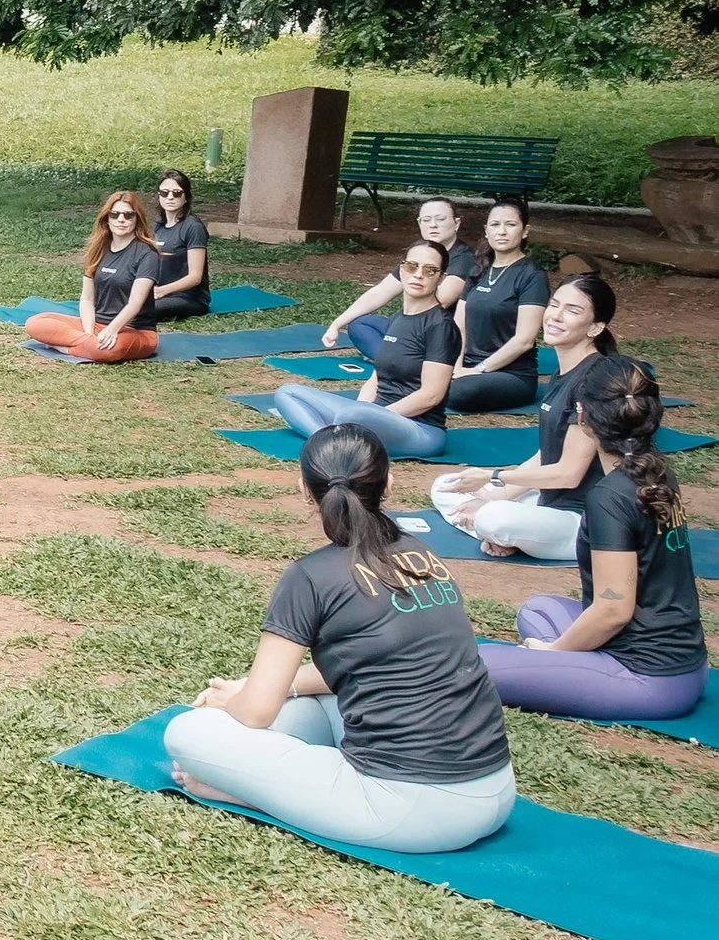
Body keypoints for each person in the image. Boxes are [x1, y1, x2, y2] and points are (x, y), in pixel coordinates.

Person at [162, 423, 515, 852]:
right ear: (389, 482)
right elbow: (376, 662)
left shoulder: (310, 576)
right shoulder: (423, 554)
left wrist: (233, 698)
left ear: (303, 489)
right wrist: (271, 689)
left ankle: (246, 792)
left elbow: (254, 713)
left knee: (187, 733)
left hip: (412, 810)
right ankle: (289, 782)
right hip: (496, 790)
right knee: (302, 703)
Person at [479, 358, 707, 721]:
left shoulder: (609, 497)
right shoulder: (655, 470)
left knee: (479, 666)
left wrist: (550, 653)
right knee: (538, 610)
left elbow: (613, 611)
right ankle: (574, 664)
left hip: (648, 676)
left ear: (582, 416)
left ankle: (571, 664)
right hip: (684, 663)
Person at [429, 274, 618, 560]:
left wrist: (494, 478)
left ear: (595, 327)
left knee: (495, 518)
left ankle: (503, 532)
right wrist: (498, 493)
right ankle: (510, 533)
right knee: (447, 486)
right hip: (548, 501)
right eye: (554, 305)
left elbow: (568, 473)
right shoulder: (565, 370)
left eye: (573, 310)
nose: (556, 316)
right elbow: (548, 455)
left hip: (585, 521)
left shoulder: (594, 381)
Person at [271, 241, 457, 458]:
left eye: (429, 270)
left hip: (419, 429)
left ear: (441, 278)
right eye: (411, 266)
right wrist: (364, 412)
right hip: (371, 416)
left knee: (353, 414)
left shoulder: (440, 326)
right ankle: (325, 439)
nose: (418, 275)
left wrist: (372, 415)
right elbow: (377, 377)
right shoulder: (398, 318)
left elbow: (431, 396)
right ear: (401, 269)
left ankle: (343, 433)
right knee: (287, 393)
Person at [321, 199, 485, 357]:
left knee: (396, 335)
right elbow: (380, 292)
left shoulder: (464, 259)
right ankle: (395, 360)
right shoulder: (421, 251)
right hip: (409, 326)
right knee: (360, 324)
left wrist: (398, 327)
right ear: (419, 224)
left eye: (440, 219)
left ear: (456, 223)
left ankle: (397, 361)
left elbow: (440, 302)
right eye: (426, 220)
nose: (433, 225)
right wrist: (336, 324)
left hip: (438, 331)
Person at [21, 191, 162, 363]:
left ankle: (61, 346)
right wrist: (88, 332)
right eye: (115, 214)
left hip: (134, 330)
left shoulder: (147, 254)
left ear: (137, 218)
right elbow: (87, 299)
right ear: (107, 218)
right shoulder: (99, 249)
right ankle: (87, 345)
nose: (121, 220)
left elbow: (135, 303)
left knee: (109, 350)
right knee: (35, 323)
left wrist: (112, 330)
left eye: (128, 215)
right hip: (96, 326)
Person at [444, 199, 550, 414]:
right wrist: (455, 367)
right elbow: (459, 326)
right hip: (467, 366)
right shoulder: (479, 269)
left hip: (511, 374)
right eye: (495, 225)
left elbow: (524, 340)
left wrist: (476, 370)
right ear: (486, 230)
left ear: (525, 231)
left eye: (510, 224)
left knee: (459, 392)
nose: (501, 231)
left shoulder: (532, 276)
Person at [148, 170, 212, 321]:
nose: (170, 197)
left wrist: (161, 291)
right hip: (159, 293)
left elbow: (195, 277)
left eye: (176, 193)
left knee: (141, 310)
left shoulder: (193, 227)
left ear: (185, 198)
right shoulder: (157, 226)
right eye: (164, 193)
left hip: (189, 298)